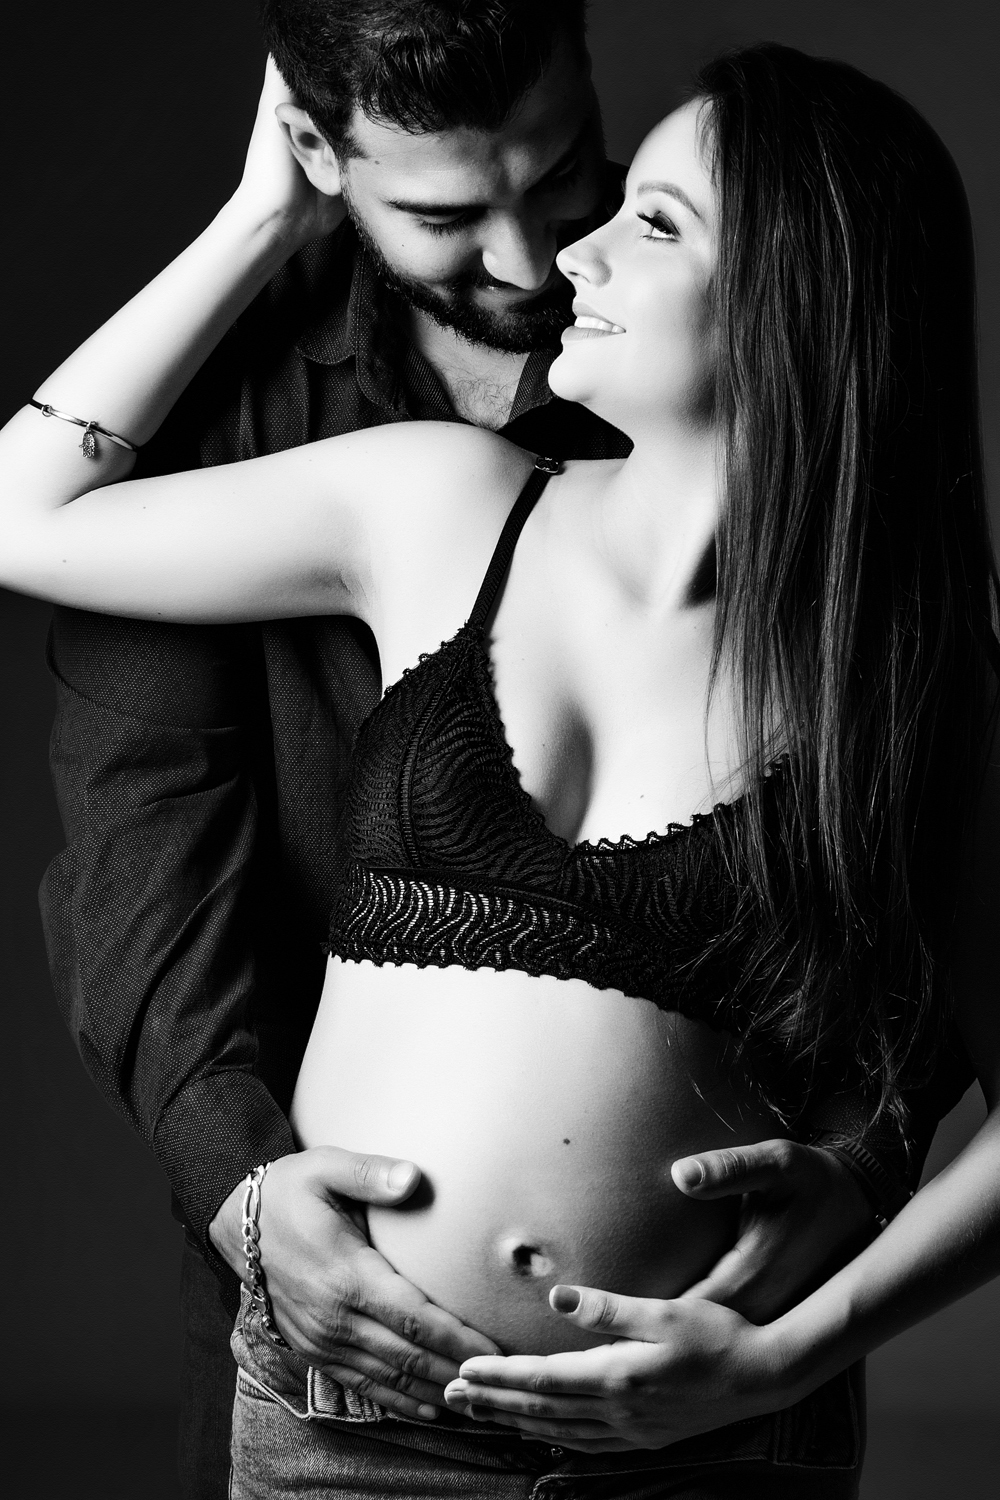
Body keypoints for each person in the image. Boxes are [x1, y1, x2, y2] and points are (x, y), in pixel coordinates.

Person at [22, 9, 980, 1497]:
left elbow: (931, 1032)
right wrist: (261, 215)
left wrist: (796, 1344)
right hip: (349, 1423)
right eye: (450, 212)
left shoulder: (898, 672)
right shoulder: (440, 501)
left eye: (641, 215)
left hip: (699, 1440)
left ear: (794, 297)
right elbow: (24, 523)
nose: (561, 258)